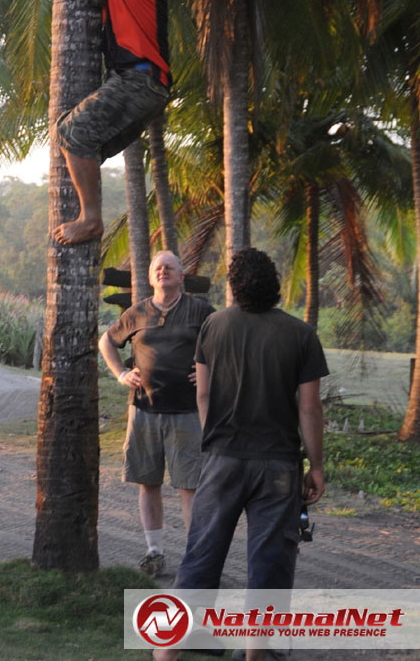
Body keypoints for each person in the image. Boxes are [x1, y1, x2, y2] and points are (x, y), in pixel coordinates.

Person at [153, 248, 328, 661]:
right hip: (278, 465)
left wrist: (214, 439)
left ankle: (166, 653)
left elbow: (202, 393)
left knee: (201, 555)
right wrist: (316, 465)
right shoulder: (300, 334)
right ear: (275, 283)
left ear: (234, 285)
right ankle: (255, 655)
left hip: (222, 459)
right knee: (269, 564)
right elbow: (309, 409)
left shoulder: (214, 325)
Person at [21, 0, 184, 246]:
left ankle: (91, 220)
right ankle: (89, 215)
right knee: (84, 146)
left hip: (139, 81)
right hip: (146, 86)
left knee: (73, 133)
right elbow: (96, 10)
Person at [98, 251, 214, 578]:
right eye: (157, 269)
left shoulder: (200, 310)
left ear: (181, 277)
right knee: (148, 482)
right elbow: (107, 341)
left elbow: (226, 343)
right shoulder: (137, 312)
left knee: (189, 485)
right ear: (150, 278)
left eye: (169, 268)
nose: (163, 272)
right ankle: (154, 551)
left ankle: (195, 557)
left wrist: (211, 372)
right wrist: (121, 373)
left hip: (187, 411)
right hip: (144, 409)